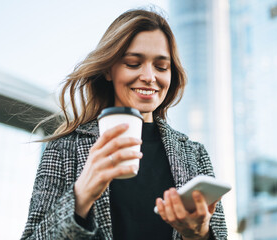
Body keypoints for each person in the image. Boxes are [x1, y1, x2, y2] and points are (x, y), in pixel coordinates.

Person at [21, 8, 227, 240]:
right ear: (109, 70)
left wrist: (198, 235)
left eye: (161, 67)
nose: (149, 76)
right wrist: (81, 196)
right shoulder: (64, 149)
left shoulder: (194, 154)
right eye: (133, 63)